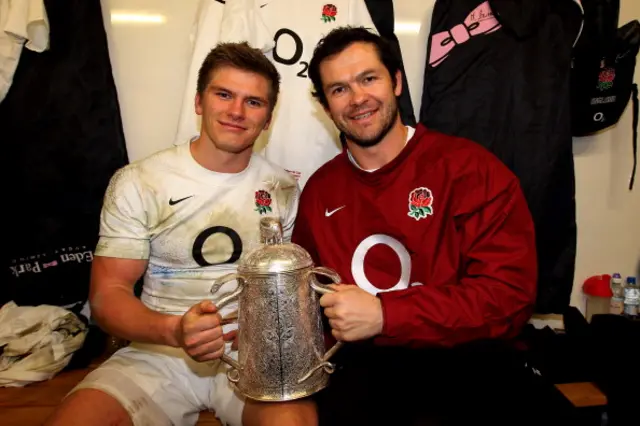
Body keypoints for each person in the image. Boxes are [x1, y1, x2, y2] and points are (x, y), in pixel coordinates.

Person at [286, 27, 546, 425]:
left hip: (469, 371)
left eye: (368, 78)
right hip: (364, 379)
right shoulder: (320, 192)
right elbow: (306, 308)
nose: (357, 99)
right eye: (338, 89)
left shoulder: (470, 169)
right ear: (325, 105)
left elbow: (509, 295)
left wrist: (386, 314)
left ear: (396, 81)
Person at [44, 42, 308, 426]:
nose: (236, 111)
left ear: (269, 118)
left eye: (254, 102)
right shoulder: (140, 181)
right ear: (199, 101)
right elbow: (107, 296)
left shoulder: (282, 187)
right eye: (224, 94)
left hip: (252, 354)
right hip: (157, 352)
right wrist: (174, 331)